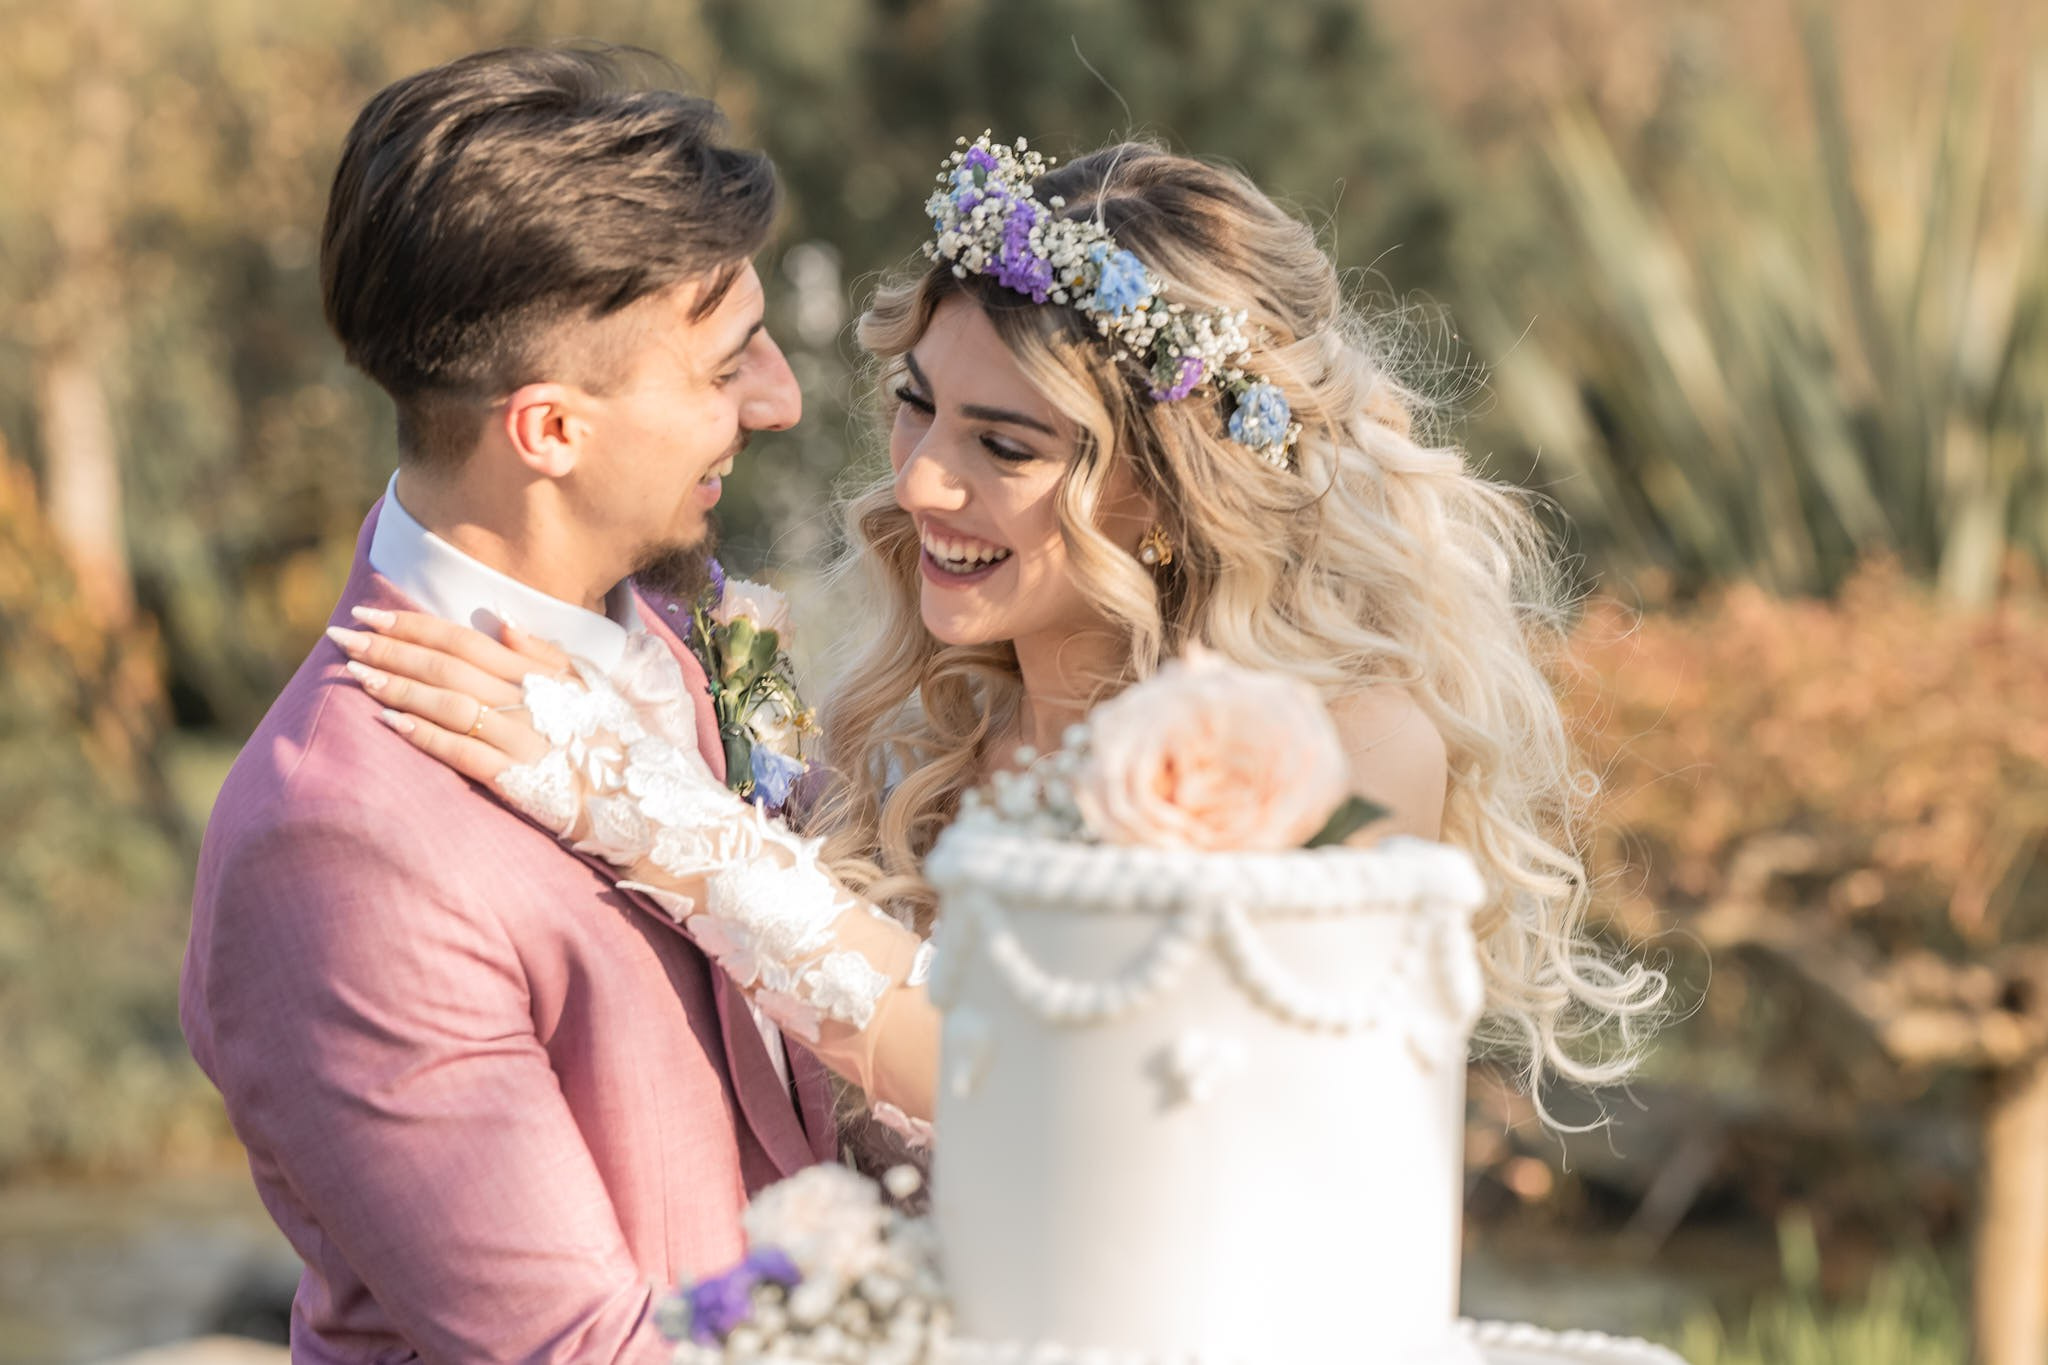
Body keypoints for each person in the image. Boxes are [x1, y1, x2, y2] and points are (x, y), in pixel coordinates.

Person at [337, 133, 1666, 1142]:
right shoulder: (901, 740)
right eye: (919, 408)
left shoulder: (1346, 752)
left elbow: (1072, 1100)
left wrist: (657, 821)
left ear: (1169, 488)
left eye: (1004, 445)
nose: (919, 483)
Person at [180, 47, 831, 1365]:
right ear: (548, 432)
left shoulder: (691, 638)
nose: (781, 401)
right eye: (724, 367)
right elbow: (584, 1352)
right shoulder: (334, 842)